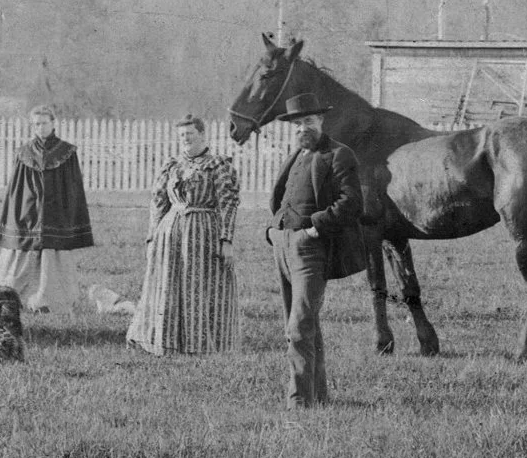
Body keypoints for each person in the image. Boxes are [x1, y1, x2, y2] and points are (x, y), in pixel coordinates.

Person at [266, 69, 366, 408]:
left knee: (299, 327)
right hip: (283, 246)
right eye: (297, 124)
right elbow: (282, 198)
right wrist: (273, 230)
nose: (302, 128)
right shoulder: (296, 156)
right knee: (304, 325)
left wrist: (314, 228)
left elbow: (352, 202)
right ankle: (318, 396)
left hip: (310, 249)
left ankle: (299, 403)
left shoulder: (338, 154)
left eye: (308, 121)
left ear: (321, 121)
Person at [126, 114, 239, 356]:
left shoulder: (218, 165)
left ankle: (199, 344)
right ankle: (166, 341)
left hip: (203, 233)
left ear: (202, 134)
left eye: (190, 134)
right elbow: (158, 202)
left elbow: (229, 203)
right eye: (181, 135)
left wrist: (226, 240)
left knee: (199, 286)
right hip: (170, 234)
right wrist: (152, 238)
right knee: (167, 285)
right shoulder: (172, 165)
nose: (185, 138)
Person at [0, 106, 92, 312]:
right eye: (37, 124)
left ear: (53, 123)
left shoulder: (67, 152)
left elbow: (73, 187)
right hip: (29, 209)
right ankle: (16, 297)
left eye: (45, 123)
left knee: (53, 252)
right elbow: (16, 188)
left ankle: (51, 299)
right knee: (22, 251)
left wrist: (67, 212)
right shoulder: (24, 152)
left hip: (56, 209)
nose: (41, 127)